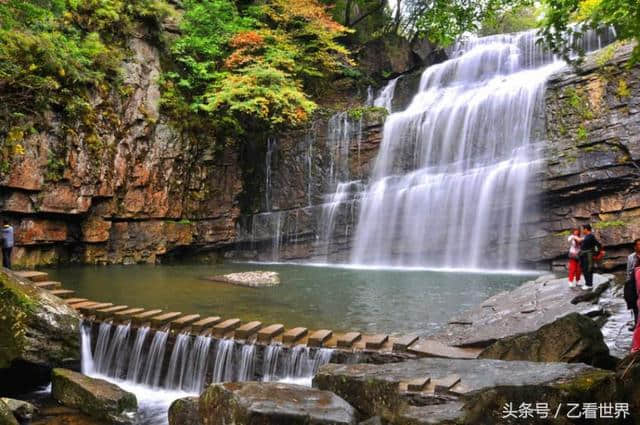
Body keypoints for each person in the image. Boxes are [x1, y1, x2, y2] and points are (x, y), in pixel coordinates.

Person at [578, 224, 601, 290]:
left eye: (583, 229)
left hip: (588, 256)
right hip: (584, 255)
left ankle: (589, 284)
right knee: (584, 269)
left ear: (586, 229)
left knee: (588, 269)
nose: (582, 231)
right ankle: (587, 283)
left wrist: (596, 254)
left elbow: (598, 245)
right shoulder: (587, 236)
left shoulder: (591, 236)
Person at [626, 239, 640, 331]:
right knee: (635, 305)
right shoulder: (631, 257)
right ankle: (636, 324)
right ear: (635, 247)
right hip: (633, 284)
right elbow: (628, 271)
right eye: (638, 245)